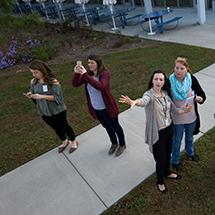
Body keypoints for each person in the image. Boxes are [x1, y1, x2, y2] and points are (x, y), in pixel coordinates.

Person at [119, 70, 190, 193]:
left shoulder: (165, 93)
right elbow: (143, 101)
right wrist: (134, 102)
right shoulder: (149, 95)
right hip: (157, 132)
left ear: (164, 82)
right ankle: (160, 181)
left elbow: (173, 109)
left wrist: (183, 110)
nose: (158, 81)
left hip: (168, 129)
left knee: (168, 153)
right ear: (152, 80)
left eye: (161, 79)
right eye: (156, 79)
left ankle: (167, 172)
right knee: (160, 158)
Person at [72, 54, 126, 157]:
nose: (89, 65)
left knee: (115, 127)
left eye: (92, 62)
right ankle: (114, 143)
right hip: (96, 108)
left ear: (98, 63)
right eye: (88, 62)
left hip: (108, 108)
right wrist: (76, 73)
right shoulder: (88, 74)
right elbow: (75, 84)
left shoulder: (104, 74)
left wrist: (85, 75)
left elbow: (100, 86)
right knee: (107, 127)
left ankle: (122, 144)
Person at [24, 60, 79, 153]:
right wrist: (31, 95)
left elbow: (58, 98)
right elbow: (34, 94)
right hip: (44, 111)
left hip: (57, 110)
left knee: (64, 126)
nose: (34, 75)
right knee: (55, 127)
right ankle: (64, 141)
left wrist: (42, 96)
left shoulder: (53, 82)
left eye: (36, 72)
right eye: (32, 73)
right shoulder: (33, 82)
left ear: (42, 70)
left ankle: (73, 141)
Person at [168, 57, 206, 172]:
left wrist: (200, 99)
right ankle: (174, 160)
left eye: (181, 68)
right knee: (177, 140)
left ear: (186, 69)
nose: (178, 71)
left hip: (191, 117)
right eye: (177, 68)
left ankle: (190, 153)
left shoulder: (192, 79)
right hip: (177, 117)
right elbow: (166, 100)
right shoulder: (169, 81)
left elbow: (202, 95)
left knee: (189, 138)